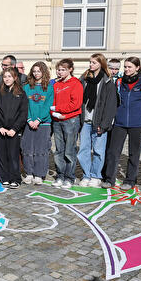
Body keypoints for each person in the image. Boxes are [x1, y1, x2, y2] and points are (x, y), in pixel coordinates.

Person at [101, 57, 141, 190]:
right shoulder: (119, 82)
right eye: (125, 67)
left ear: (137, 67)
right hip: (120, 122)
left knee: (133, 154)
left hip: (137, 124)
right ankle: (109, 179)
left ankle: (130, 180)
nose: (126, 69)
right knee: (113, 152)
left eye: (129, 67)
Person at [78, 54, 118, 187]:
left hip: (99, 122)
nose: (91, 65)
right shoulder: (85, 79)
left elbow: (110, 106)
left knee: (98, 151)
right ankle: (86, 175)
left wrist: (104, 124)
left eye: (94, 62)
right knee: (83, 149)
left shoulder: (107, 81)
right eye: (90, 62)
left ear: (101, 64)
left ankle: (96, 176)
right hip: (85, 121)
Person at [0, 67, 28, 189]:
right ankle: (5, 177)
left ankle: (15, 178)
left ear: (15, 78)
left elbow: (23, 114)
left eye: (9, 76)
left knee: (13, 155)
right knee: (2, 155)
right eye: (5, 76)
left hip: (14, 130)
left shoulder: (21, 93)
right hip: (0, 130)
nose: (7, 79)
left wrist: (14, 129)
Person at [50, 58, 83, 188]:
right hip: (57, 120)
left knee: (69, 150)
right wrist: (54, 113)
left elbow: (75, 104)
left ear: (70, 69)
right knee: (59, 150)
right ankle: (60, 175)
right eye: (58, 70)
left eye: (63, 70)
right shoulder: (56, 84)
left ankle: (70, 177)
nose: (60, 72)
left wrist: (58, 109)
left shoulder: (75, 83)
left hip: (70, 120)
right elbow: (52, 102)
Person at [21, 62, 54, 185]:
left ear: (43, 72)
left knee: (41, 149)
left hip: (43, 123)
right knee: (27, 148)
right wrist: (29, 119)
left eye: (39, 71)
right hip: (29, 123)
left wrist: (39, 119)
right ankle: (29, 173)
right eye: (34, 71)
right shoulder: (26, 87)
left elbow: (48, 105)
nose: (36, 73)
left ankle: (39, 174)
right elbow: (24, 105)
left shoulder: (49, 88)